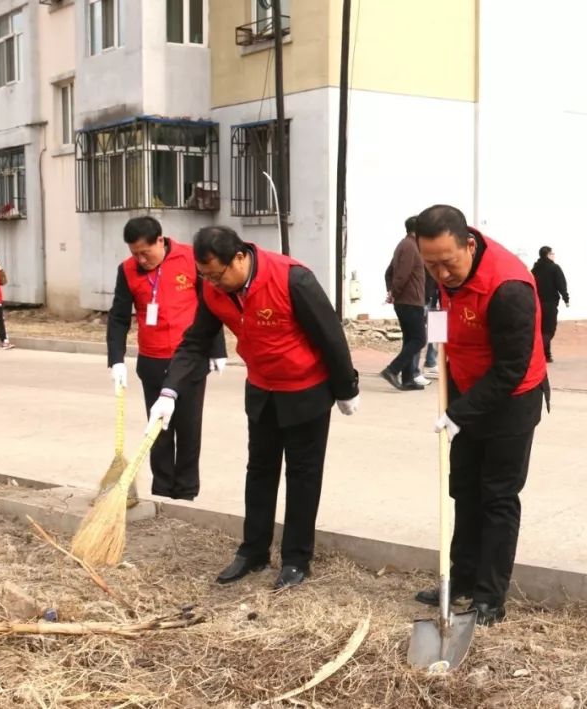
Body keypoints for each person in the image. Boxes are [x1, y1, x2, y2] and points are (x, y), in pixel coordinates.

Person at [146, 226, 359, 590]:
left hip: (305, 390)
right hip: (262, 390)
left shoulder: (292, 279)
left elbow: (330, 334)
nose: (213, 282)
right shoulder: (215, 290)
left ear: (241, 257)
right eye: (206, 276)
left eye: (218, 273)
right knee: (259, 471)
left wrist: (345, 388)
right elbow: (195, 341)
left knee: (303, 476)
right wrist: (169, 391)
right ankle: (253, 551)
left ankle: (295, 558)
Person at [412, 204, 549, 626]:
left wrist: (459, 413)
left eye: (448, 263)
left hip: (511, 402)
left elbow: (510, 370)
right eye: (430, 264)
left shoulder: (508, 288)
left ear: (469, 245)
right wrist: (445, 374)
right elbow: (442, 324)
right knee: (464, 492)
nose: (440, 273)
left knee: (497, 498)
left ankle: (490, 597)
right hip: (467, 393)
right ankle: (462, 580)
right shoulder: (443, 276)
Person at [107, 216, 225, 501]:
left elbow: (212, 304)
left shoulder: (189, 258)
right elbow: (119, 316)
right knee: (158, 429)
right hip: (153, 359)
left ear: (160, 240)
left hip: (190, 359)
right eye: (134, 253)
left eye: (145, 252)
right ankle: (162, 489)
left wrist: (217, 348)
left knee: (188, 428)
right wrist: (117, 358)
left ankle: (185, 491)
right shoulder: (127, 271)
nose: (140, 259)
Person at [380, 216, 428, 391]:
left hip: (407, 300)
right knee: (419, 339)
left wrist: (392, 292)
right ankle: (392, 370)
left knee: (410, 339)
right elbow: (401, 275)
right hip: (410, 301)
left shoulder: (405, 245)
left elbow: (389, 272)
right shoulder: (409, 247)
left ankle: (407, 379)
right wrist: (394, 292)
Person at [530, 246, 569, 363]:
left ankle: (546, 355)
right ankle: (535, 353)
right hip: (550, 304)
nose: (553, 255)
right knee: (549, 330)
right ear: (547, 255)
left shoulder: (535, 269)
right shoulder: (554, 268)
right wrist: (566, 298)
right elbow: (561, 284)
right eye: (552, 253)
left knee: (541, 330)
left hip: (536, 303)